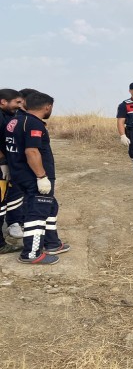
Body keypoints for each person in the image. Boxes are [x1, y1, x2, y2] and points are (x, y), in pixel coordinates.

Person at [5, 91, 70, 264]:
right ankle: (31, 253)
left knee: (50, 206)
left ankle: (52, 243)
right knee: (38, 211)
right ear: (48, 107)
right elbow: (32, 151)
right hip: (33, 175)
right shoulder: (33, 124)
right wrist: (41, 176)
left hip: (20, 174)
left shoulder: (15, 120)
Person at [5, 88, 40, 240]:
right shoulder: (13, 117)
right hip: (15, 163)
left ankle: (24, 219)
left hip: (25, 164)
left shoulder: (26, 118)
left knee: (26, 194)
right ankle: (14, 222)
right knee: (15, 194)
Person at [0, 88, 24, 254]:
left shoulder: (9, 115)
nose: (19, 105)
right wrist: (2, 162)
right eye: (17, 102)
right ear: (3, 101)